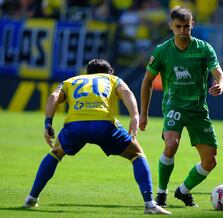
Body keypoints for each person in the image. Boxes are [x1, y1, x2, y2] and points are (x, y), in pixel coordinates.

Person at [23, 59, 171, 215]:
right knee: (137, 154)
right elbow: (126, 92)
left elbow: (54, 96)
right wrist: (134, 116)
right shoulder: (112, 79)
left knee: (56, 152)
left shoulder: (71, 81)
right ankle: (149, 204)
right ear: (108, 72)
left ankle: (31, 198)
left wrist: (48, 123)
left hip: (75, 126)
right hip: (103, 125)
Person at [139, 6, 223, 207]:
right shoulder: (162, 51)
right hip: (174, 106)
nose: (182, 31)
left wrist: (220, 86)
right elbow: (147, 81)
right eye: (178, 26)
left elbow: (220, 75)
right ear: (171, 26)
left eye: (186, 27)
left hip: (198, 110)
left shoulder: (204, 48)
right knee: (171, 144)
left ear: (192, 25)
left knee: (210, 162)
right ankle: (161, 193)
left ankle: (183, 191)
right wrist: (143, 113)